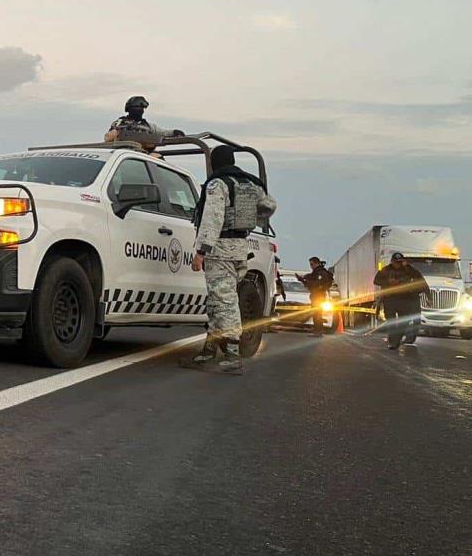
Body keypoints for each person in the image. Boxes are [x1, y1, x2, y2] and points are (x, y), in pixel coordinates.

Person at [181, 145, 277, 373]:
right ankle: (209, 351)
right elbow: (270, 205)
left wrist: (201, 251)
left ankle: (232, 353)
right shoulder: (249, 184)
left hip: (220, 248)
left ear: (215, 163)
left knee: (225, 301)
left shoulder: (218, 184)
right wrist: (251, 218)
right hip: (240, 247)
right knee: (217, 300)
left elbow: (212, 218)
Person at [374, 253, 429, 349]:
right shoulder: (386, 270)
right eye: (396, 262)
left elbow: (421, 280)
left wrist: (429, 296)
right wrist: (388, 282)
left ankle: (397, 340)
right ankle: (392, 341)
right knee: (391, 320)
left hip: (404, 299)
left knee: (403, 322)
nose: (398, 265)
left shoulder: (408, 270)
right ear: (392, 262)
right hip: (390, 299)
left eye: (400, 262)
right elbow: (376, 280)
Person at [104, 96, 183, 154]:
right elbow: (108, 138)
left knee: (158, 157)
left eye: (142, 108)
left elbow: (163, 133)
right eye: (137, 107)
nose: (140, 110)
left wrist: (174, 132)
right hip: (123, 154)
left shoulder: (148, 126)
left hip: (143, 155)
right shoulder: (120, 122)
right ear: (129, 109)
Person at [298, 256, 334, 337]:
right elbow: (312, 281)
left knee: (317, 314)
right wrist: (303, 279)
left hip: (319, 296)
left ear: (316, 263)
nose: (311, 266)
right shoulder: (316, 272)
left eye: (312, 264)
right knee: (316, 314)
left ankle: (318, 331)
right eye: (310, 264)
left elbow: (317, 283)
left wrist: (307, 281)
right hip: (316, 295)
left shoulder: (321, 272)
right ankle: (317, 330)